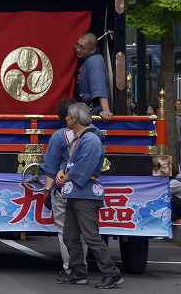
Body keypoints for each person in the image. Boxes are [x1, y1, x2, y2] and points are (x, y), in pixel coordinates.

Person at [54, 103, 122, 289]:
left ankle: (111, 272)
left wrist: (66, 176)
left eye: (68, 116)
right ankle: (78, 272)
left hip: (85, 193)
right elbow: (72, 162)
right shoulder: (81, 138)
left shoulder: (90, 139)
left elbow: (84, 165)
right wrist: (63, 172)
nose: (66, 118)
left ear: (75, 119)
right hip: (77, 191)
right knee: (70, 235)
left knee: (90, 236)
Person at [42, 101, 87, 279]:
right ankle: (82, 266)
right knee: (83, 230)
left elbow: (51, 168)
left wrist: (47, 189)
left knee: (64, 230)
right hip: (85, 188)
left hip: (63, 188)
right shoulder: (93, 134)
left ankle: (70, 267)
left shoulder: (58, 136)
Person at [74, 33, 112, 120]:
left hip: (93, 112)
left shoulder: (95, 61)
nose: (78, 49)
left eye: (82, 47)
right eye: (77, 45)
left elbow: (99, 86)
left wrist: (105, 110)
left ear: (92, 50)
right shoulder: (86, 60)